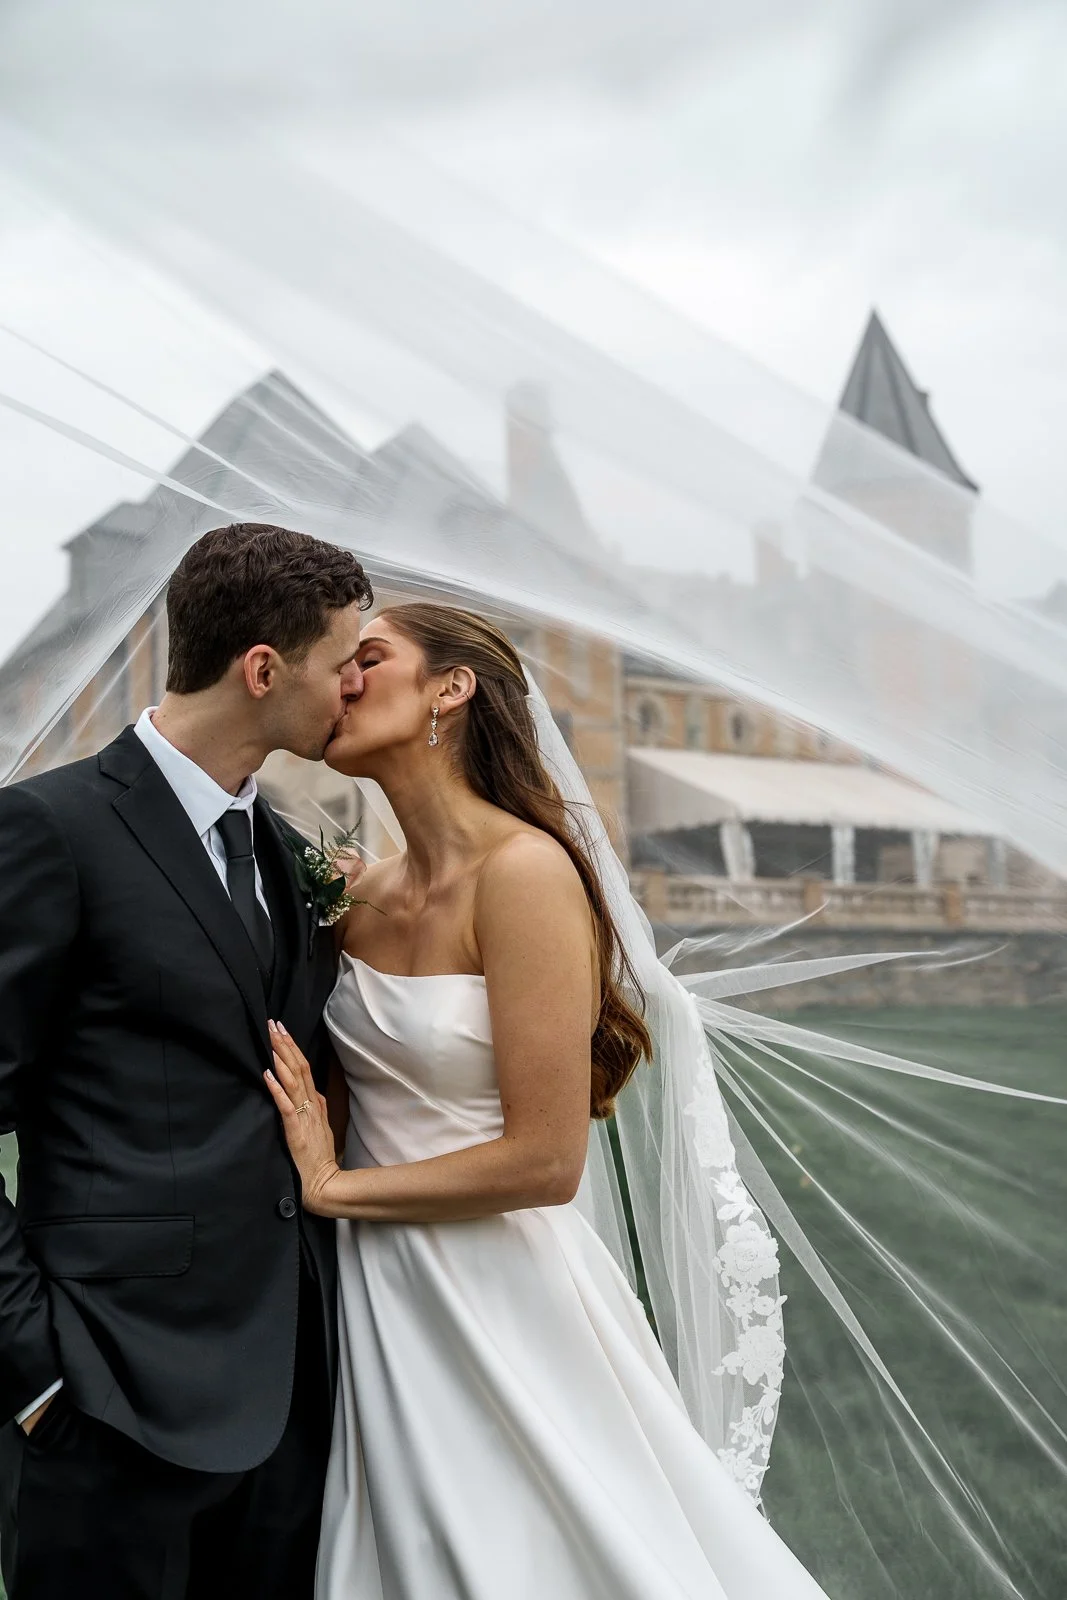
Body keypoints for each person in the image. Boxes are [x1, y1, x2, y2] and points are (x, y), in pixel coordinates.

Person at [266, 602, 830, 1599]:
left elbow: (545, 1160)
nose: (340, 679)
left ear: (450, 687)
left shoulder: (523, 873)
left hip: (499, 1292)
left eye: (369, 658)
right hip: (374, 1299)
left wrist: (333, 1185)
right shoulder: (349, 898)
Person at [0, 522, 372, 1600]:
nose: (354, 683)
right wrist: (35, 1374)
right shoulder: (48, 830)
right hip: (107, 1400)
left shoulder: (295, 857)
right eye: (340, 660)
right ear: (263, 669)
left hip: (293, 1403)